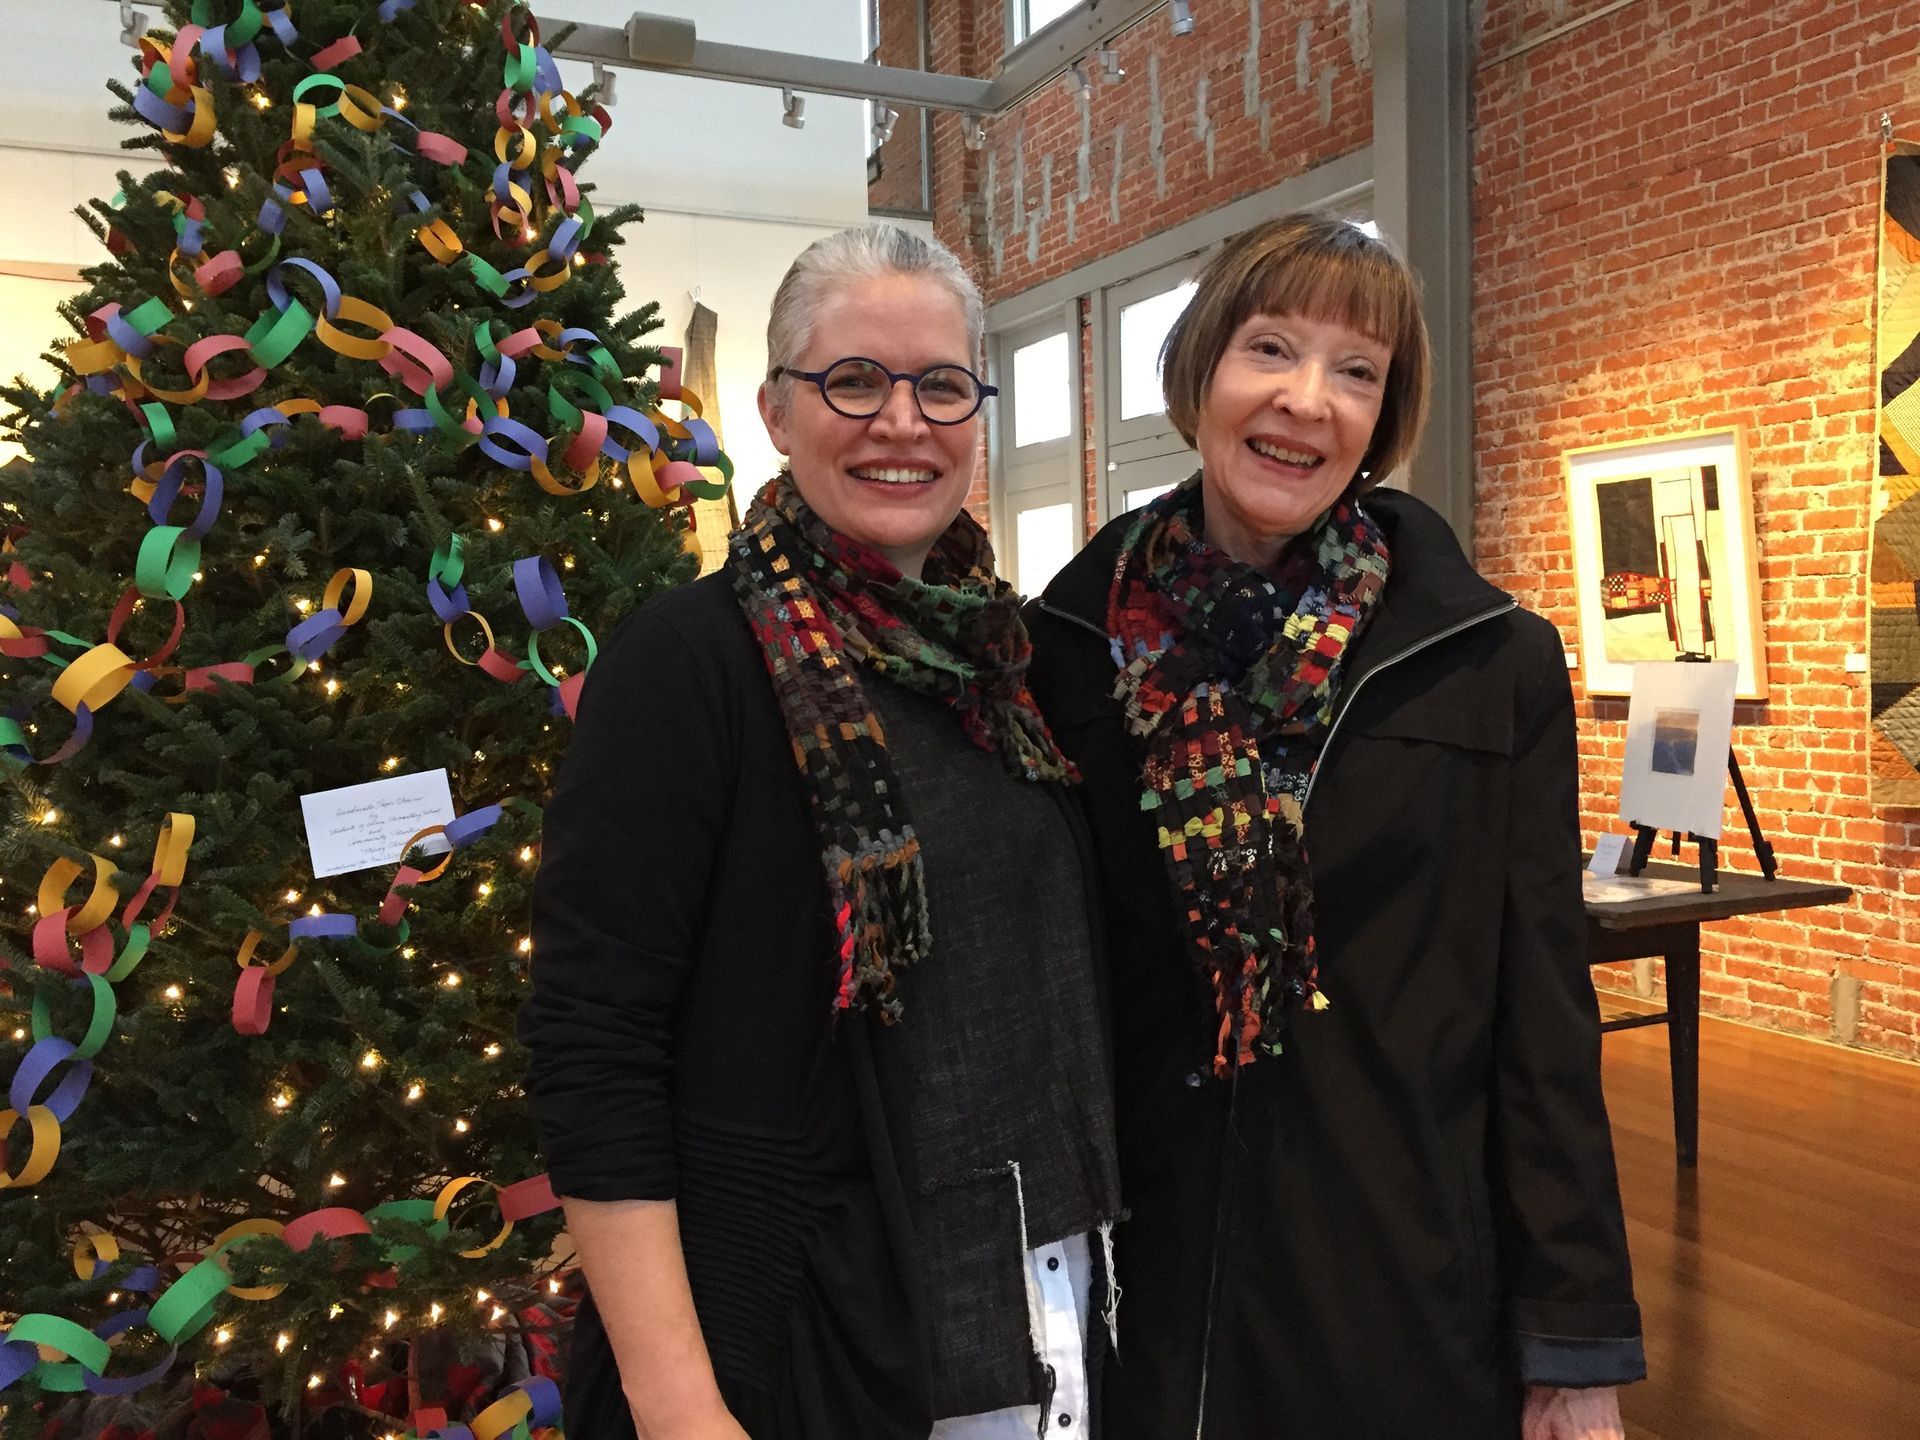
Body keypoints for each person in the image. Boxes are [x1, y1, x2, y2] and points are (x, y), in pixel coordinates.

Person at [1023, 213, 1644, 1440]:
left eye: (1356, 372)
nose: (1308, 400)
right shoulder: (1066, 651)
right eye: (1271, 349)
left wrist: (1573, 1345)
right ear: (1201, 370)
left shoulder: (1484, 659)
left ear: (1384, 417)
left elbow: (1543, 1016)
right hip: (1134, 1289)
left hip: (1397, 1278)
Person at [518, 224, 1122, 1440]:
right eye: (855, 380)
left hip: (1043, 1288)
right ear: (777, 413)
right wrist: (678, 1404)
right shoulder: (690, 668)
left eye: (942, 385)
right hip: (798, 1333)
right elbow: (595, 1046)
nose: (903, 421)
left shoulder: (1009, 665)